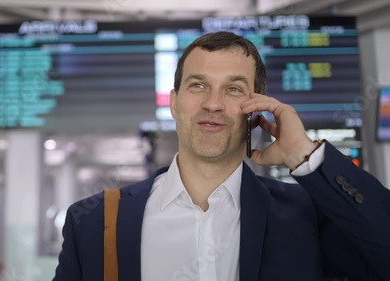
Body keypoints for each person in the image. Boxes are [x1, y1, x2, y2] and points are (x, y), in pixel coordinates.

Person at [52, 31, 390, 281]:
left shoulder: (307, 215)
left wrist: (304, 155)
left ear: (256, 106)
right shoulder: (95, 222)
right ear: (174, 102)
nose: (213, 103)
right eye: (198, 85)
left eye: (233, 89)